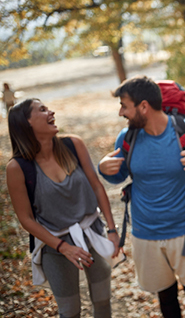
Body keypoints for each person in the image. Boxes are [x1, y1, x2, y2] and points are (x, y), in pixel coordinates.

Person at [97, 75, 185, 318]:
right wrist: (104, 169)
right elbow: (119, 175)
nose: (121, 113)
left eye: (124, 106)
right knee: (166, 298)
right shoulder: (127, 138)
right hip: (146, 235)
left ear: (143, 106)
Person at [6, 98, 121, 318]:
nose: (51, 112)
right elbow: (26, 219)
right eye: (42, 110)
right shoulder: (18, 167)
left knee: (103, 301)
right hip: (54, 246)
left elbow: (97, 187)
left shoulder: (73, 145)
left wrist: (112, 230)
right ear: (26, 123)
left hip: (92, 234)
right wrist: (63, 247)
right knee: (69, 311)